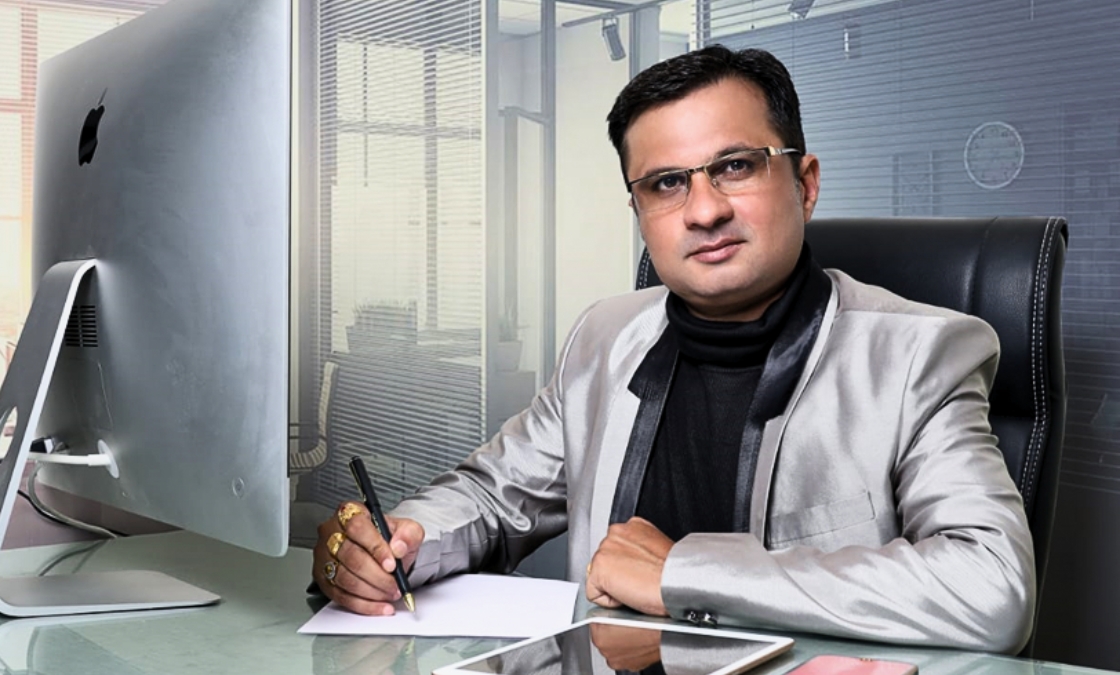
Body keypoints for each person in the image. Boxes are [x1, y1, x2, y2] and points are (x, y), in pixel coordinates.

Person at [311, 44, 1035, 654]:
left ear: (805, 183)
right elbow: (493, 497)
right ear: (639, 212)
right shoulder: (604, 337)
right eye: (666, 183)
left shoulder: (919, 356)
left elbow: (991, 589)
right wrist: (397, 545)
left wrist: (684, 574)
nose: (705, 209)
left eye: (736, 166)